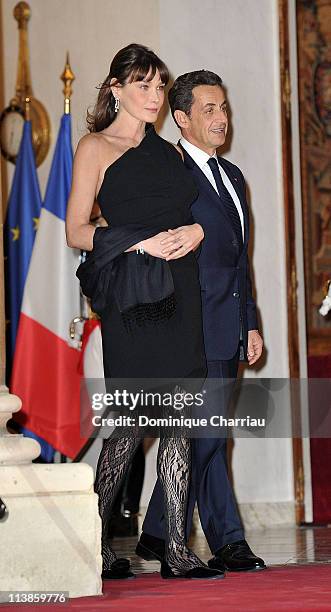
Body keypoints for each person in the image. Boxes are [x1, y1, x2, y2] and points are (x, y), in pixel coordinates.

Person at [66, 45, 221, 581]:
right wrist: (139, 243)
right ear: (115, 88)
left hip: (183, 294)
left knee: (178, 422)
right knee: (132, 426)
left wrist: (198, 231)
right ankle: (95, 541)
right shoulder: (95, 147)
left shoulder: (173, 153)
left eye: (159, 86)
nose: (155, 96)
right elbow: (76, 230)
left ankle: (176, 550)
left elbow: (197, 214)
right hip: (135, 299)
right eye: (143, 85)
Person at [136, 70, 266, 573]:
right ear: (182, 117)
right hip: (189, 325)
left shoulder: (232, 177)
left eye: (224, 108)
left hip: (227, 325)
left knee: (210, 436)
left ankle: (211, 538)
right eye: (209, 109)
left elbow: (239, 261)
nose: (221, 118)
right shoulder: (169, 173)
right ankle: (167, 532)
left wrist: (248, 322)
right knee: (205, 435)